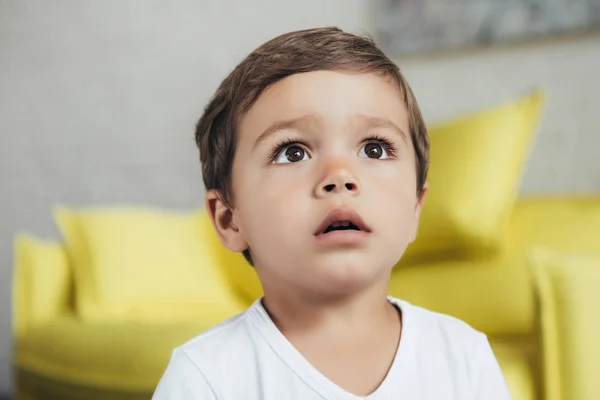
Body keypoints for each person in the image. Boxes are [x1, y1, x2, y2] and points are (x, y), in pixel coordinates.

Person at [152, 27, 512, 399]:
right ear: (229, 219)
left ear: (416, 208)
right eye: (292, 152)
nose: (339, 176)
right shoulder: (207, 377)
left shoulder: (462, 357)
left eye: (374, 149)